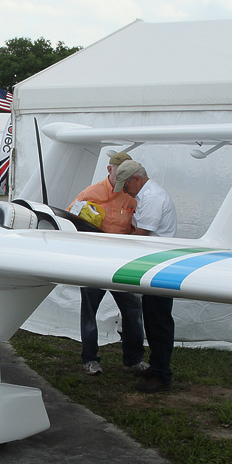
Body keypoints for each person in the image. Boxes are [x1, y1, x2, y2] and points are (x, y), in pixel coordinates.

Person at [70, 151, 147, 376]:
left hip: (122, 263)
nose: (122, 176)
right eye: (118, 171)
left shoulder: (134, 195)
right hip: (94, 262)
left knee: (133, 310)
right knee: (89, 310)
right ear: (109, 170)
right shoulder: (90, 193)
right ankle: (90, 359)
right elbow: (69, 220)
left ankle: (133, 359)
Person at [113, 160, 178, 393]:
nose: (125, 190)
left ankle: (162, 375)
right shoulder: (147, 196)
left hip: (159, 266)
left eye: (126, 185)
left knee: (158, 322)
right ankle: (159, 368)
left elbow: (140, 234)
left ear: (137, 180)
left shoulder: (152, 199)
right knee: (154, 320)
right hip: (155, 264)